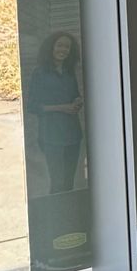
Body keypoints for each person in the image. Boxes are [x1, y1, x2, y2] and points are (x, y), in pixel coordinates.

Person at [29, 30, 84, 196]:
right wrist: (61, 108)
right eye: (59, 45)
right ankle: (56, 216)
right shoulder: (40, 73)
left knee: (69, 182)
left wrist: (77, 101)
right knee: (57, 182)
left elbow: (74, 95)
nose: (63, 49)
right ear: (51, 47)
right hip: (51, 135)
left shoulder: (69, 72)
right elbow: (33, 106)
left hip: (73, 134)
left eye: (67, 46)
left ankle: (69, 216)